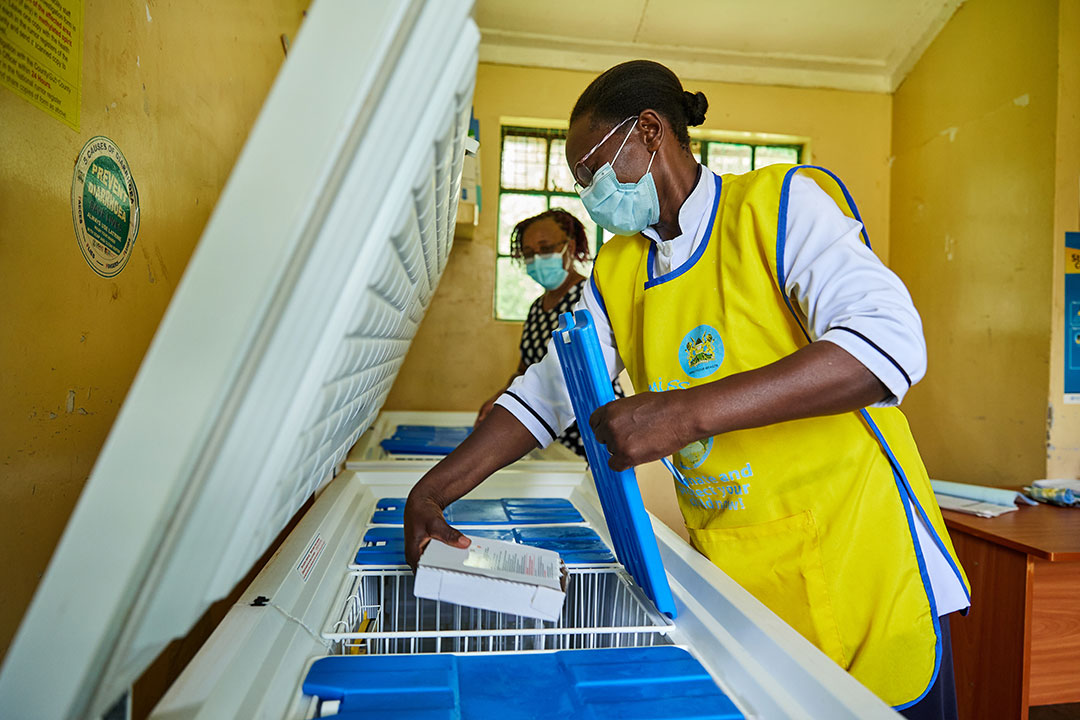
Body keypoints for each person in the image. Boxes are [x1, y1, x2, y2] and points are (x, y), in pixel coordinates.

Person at [405, 60, 968, 720]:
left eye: (592, 171)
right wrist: (433, 491)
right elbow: (547, 392)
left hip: (860, 562)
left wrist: (683, 413)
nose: (590, 193)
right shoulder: (620, 267)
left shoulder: (777, 206)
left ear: (649, 132)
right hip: (744, 574)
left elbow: (889, 344)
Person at [476, 208, 623, 458]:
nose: (537, 259)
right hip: (547, 433)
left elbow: (587, 370)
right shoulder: (537, 308)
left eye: (545, 249)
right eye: (529, 253)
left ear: (570, 246)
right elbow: (525, 369)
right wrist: (502, 398)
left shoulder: (587, 300)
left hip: (591, 433)